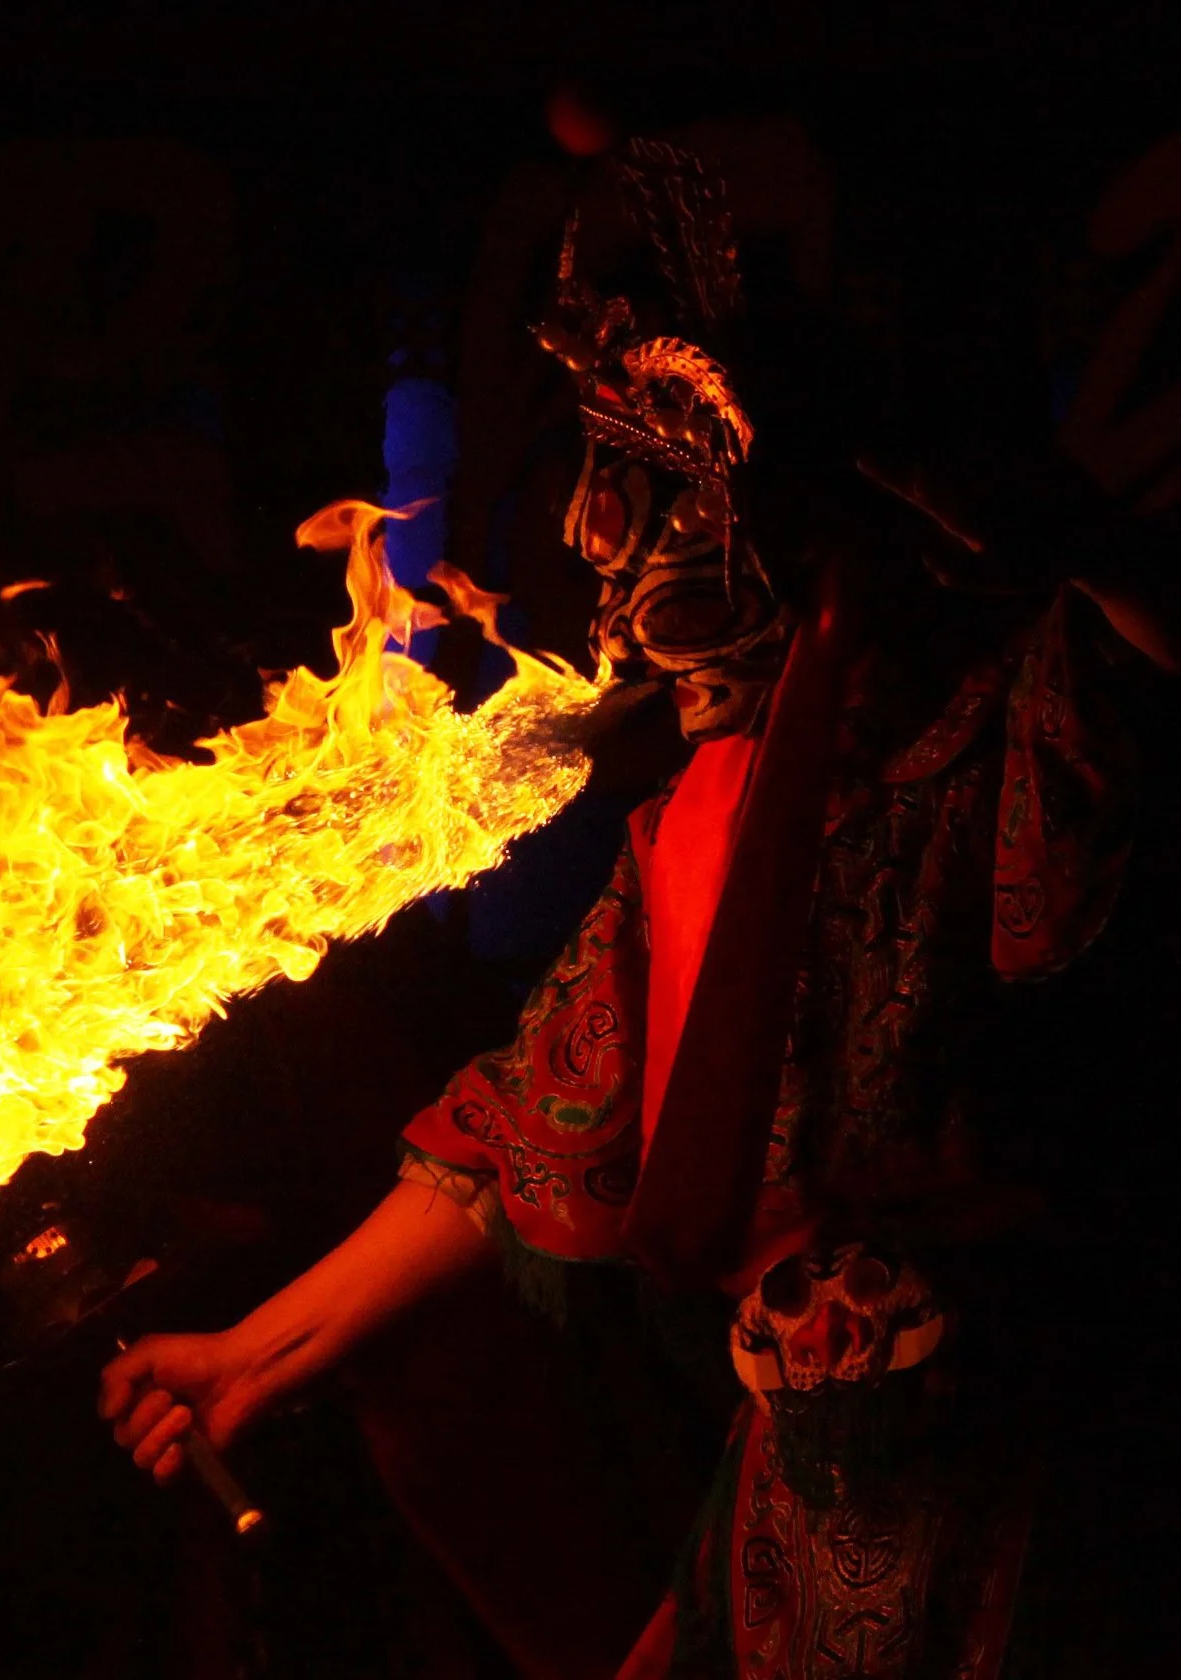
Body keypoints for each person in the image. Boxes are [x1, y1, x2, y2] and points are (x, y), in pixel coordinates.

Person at [102, 135, 1180, 1679]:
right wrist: (246, 1357)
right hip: (796, 1535)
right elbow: (520, 1142)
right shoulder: (704, 822)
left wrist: (1030, 510)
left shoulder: (1030, 718)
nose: (593, 534)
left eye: (651, 476)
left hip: (1053, 1522)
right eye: (592, 470)